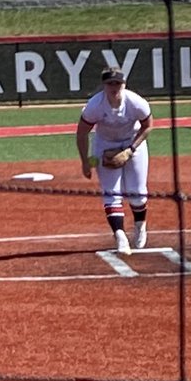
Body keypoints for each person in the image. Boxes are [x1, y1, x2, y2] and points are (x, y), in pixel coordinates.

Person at [76, 67, 152, 255]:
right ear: (104, 85)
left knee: (138, 193)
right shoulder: (95, 105)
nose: (114, 87)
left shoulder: (135, 102)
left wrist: (131, 150)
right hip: (105, 145)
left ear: (124, 84)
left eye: (117, 83)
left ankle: (140, 225)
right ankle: (120, 236)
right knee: (111, 193)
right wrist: (85, 161)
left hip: (133, 142)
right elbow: (82, 132)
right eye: (110, 83)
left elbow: (148, 125)